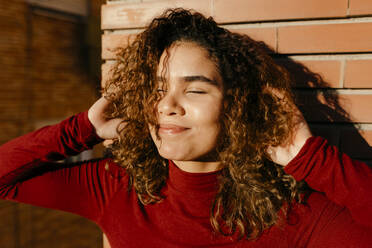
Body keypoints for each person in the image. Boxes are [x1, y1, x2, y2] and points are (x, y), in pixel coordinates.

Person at [0, 8, 371, 248]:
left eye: (194, 89)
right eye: (158, 90)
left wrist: (313, 160)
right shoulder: (118, 187)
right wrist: (82, 129)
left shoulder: (294, 213)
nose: (166, 106)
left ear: (235, 104)